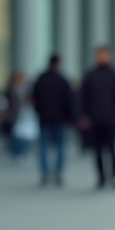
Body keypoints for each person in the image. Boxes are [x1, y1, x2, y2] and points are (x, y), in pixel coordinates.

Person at [79, 47, 115, 190]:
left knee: (112, 149)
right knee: (97, 150)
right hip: (94, 119)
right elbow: (83, 97)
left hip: (111, 118)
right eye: (99, 55)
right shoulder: (90, 75)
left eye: (104, 55)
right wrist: (84, 115)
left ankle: (114, 176)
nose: (102, 57)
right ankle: (101, 177)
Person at [32, 54, 73, 186]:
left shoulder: (41, 79)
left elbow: (35, 98)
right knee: (60, 147)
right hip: (59, 119)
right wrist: (69, 117)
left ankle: (45, 175)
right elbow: (69, 101)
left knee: (43, 147)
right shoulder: (62, 80)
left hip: (44, 118)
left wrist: (39, 111)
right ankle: (58, 174)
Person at [5, 71, 34, 159]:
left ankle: (22, 151)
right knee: (15, 133)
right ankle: (15, 151)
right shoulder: (12, 89)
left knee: (23, 133)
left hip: (23, 114)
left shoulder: (24, 89)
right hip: (14, 113)